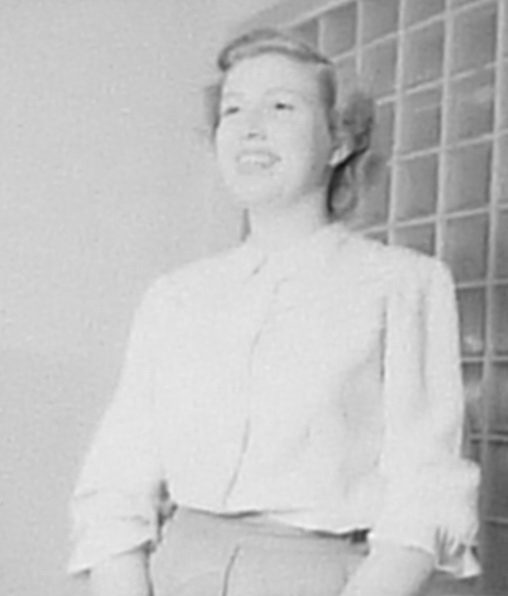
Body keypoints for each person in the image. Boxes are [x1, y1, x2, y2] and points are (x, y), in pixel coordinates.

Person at [68, 28, 480, 596]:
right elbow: (115, 483)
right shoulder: (174, 299)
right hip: (177, 572)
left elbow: (428, 490)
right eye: (233, 109)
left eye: (281, 106)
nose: (251, 127)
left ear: (339, 140)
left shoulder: (403, 286)